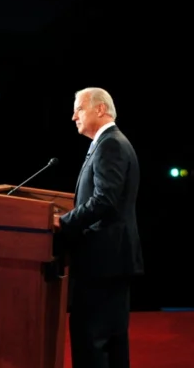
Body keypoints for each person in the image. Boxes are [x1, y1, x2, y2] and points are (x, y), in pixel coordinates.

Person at [53, 87, 143, 368]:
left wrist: (62, 222)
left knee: (92, 340)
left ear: (100, 109)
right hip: (111, 259)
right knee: (111, 341)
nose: (73, 116)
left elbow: (104, 200)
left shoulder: (111, 145)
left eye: (79, 109)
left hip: (102, 261)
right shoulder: (112, 143)